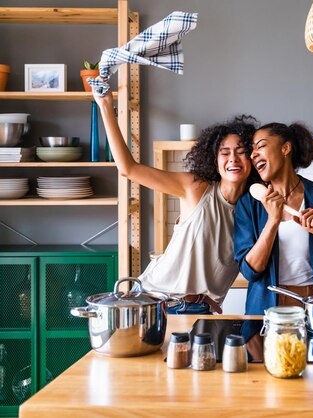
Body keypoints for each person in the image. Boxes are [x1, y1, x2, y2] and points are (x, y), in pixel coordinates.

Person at [93, 89, 257, 314]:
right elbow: (128, 169)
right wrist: (104, 106)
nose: (233, 159)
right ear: (214, 158)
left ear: (253, 158)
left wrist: (200, 300)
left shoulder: (253, 209)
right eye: (224, 152)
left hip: (197, 308)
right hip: (156, 301)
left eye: (241, 152)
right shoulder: (196, 188)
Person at [233, 122, 313, 342]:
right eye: (252, 150)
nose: (253, 154)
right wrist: (272, 220)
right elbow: (250, 270)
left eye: (261, 146)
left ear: (285, 148)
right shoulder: (249, 204)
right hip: (265, 306)